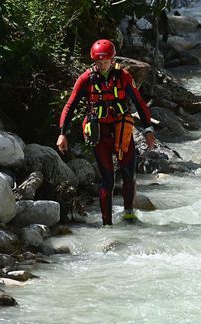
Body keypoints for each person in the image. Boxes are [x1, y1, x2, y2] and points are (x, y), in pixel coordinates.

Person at [57, 39, 156, 225]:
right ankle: (107, 224)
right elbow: (70, 105)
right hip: (99, 133)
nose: (102, 65)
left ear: (112, 59)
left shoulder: (123, 76)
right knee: (107, 180)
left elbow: (140, 103)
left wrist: (148, 129)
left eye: (105, 61)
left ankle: (128, 214)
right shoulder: (86, 79)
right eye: (98, 62)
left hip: (121, 129)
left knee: (129, 175)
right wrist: (62, 132)